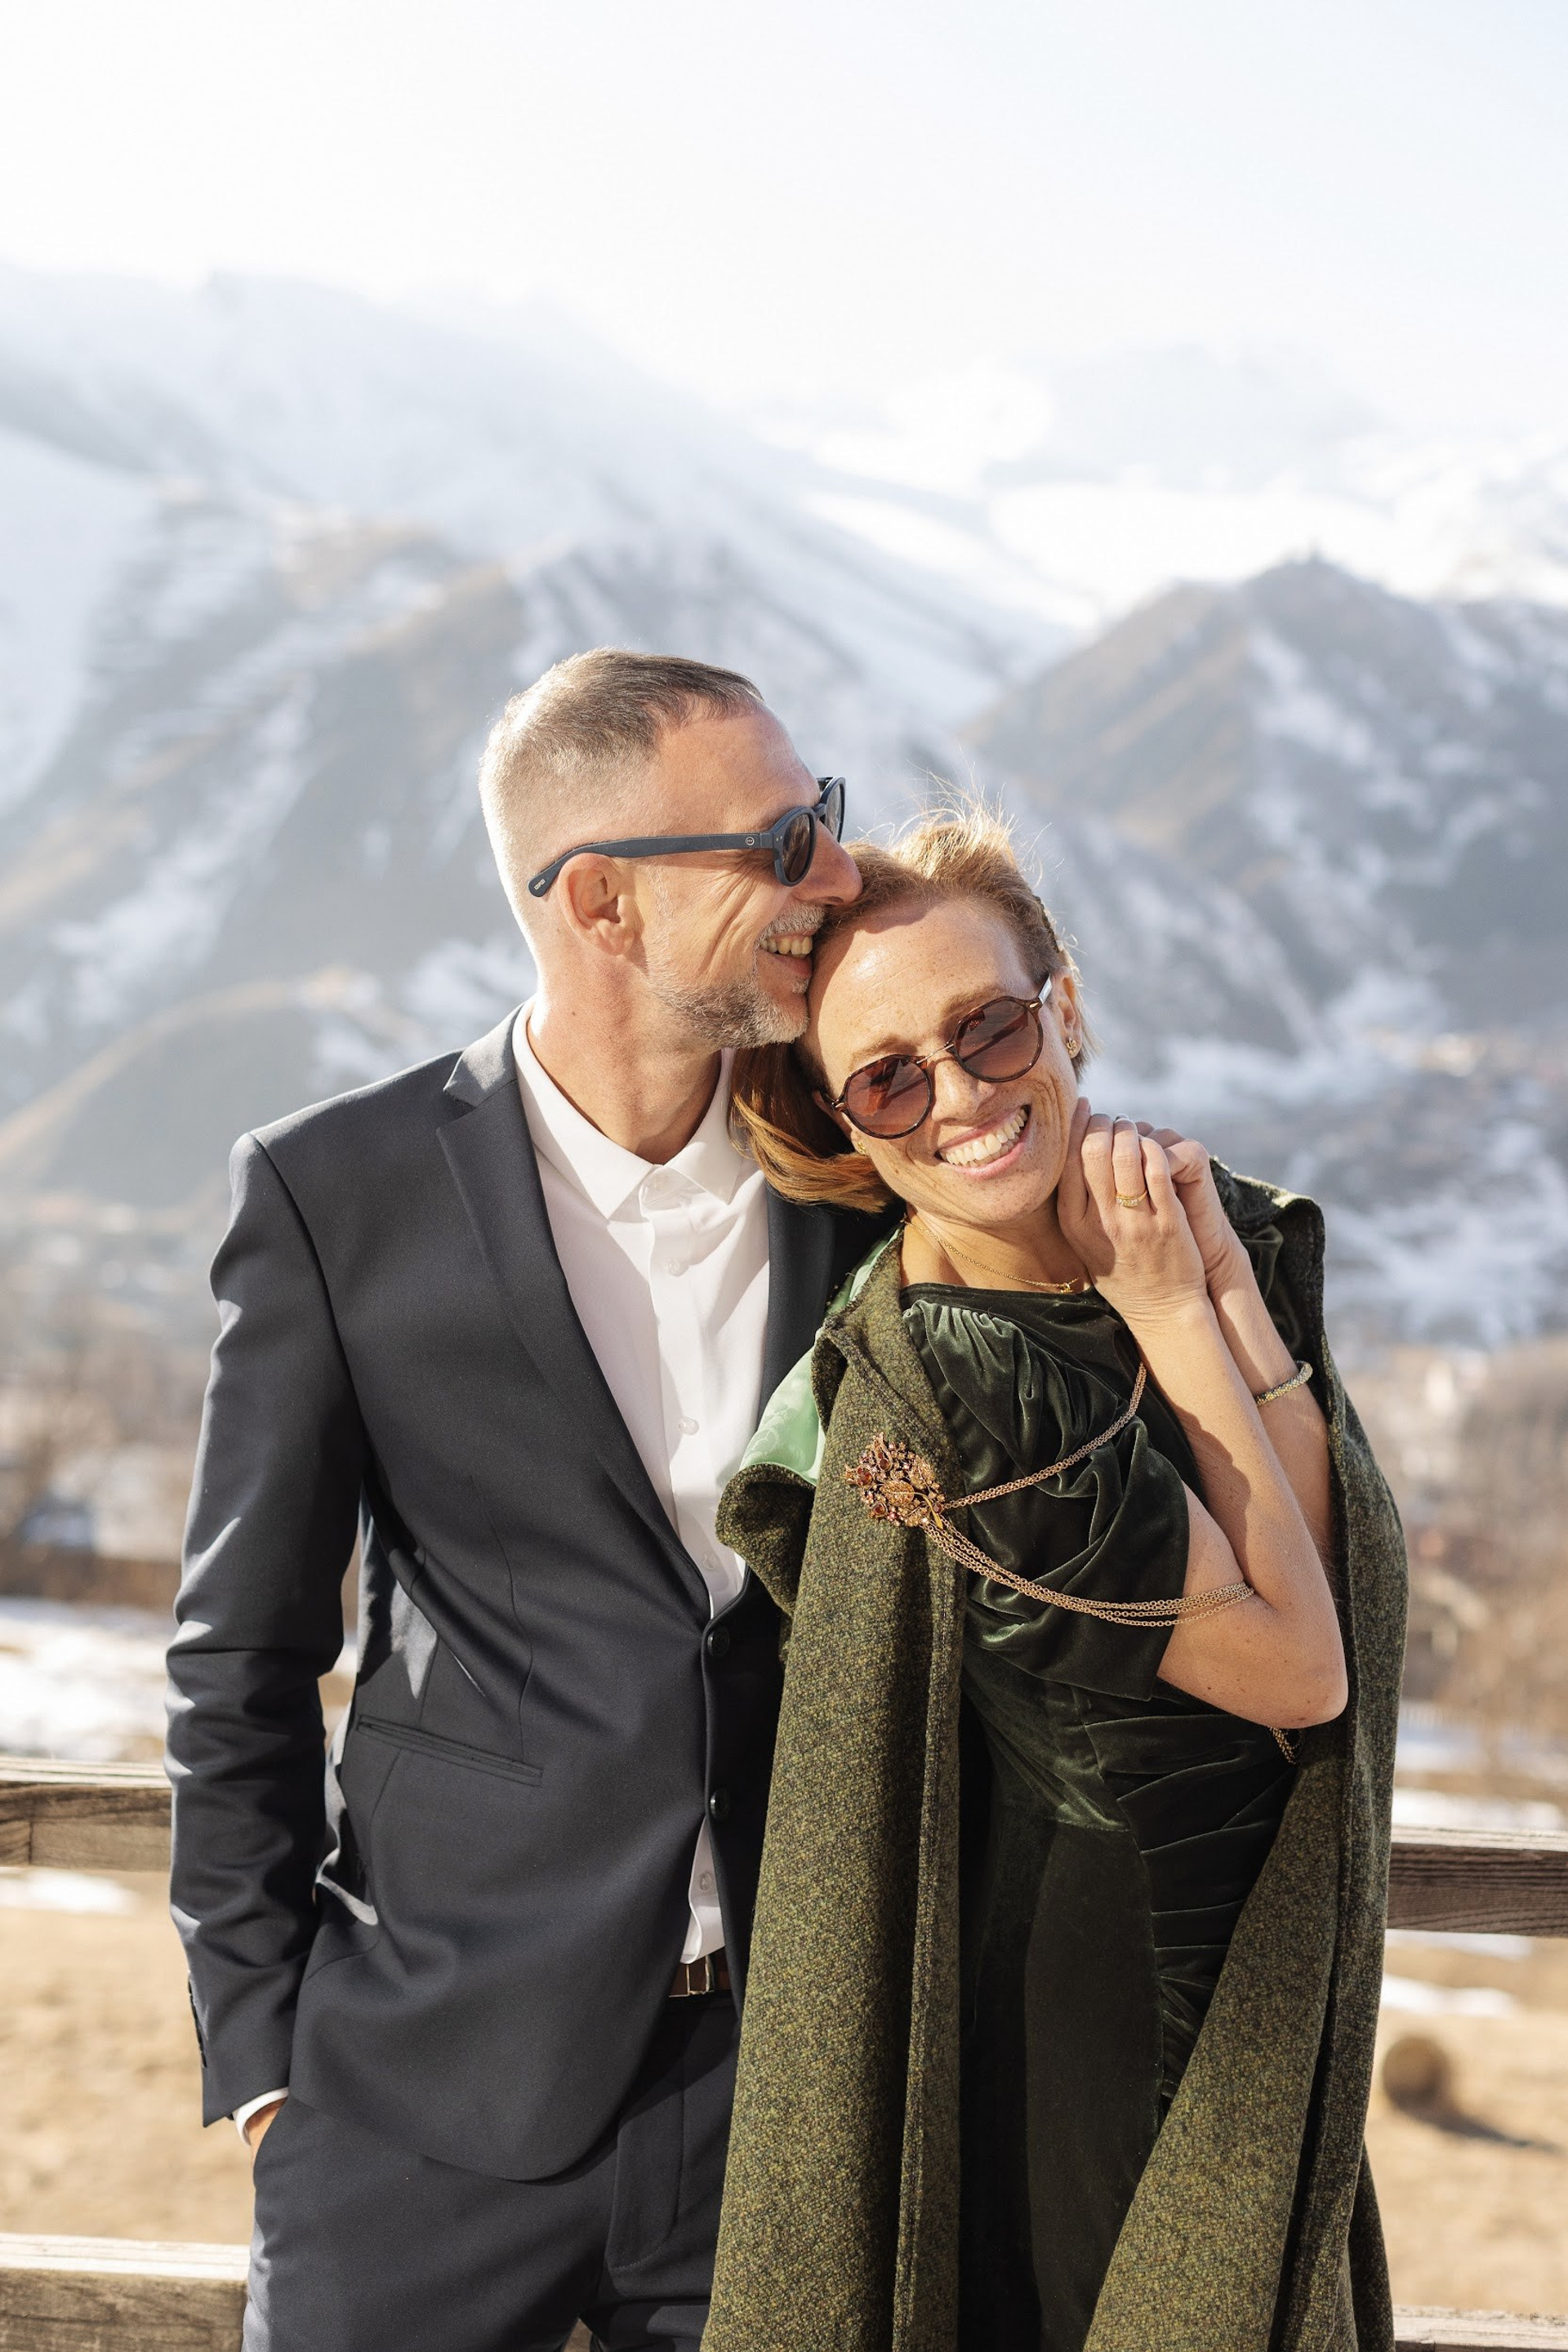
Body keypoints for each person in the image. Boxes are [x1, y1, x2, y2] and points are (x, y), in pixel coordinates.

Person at [165, 651, 889, 2352]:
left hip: (787, 2109)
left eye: (828, 819)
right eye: (780, 840)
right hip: (421, 2097)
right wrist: (264, 2050)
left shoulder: (865, 1183)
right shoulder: (334, 1193)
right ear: (604, 906)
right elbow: (241, 1651)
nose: (835, 876)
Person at [702, 811, 1406, 2352]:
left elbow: (1325, 1583)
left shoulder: (1184, 1238)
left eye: (989, 1026)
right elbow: (1301, 1671)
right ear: (848, 1120)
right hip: (1107, 1991)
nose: (959, 1096)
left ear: (1063, 1008)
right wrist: (1181, 1309)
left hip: (1266, 1958)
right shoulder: (958, 1397)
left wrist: (1216, 1293)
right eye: (890, 1074)